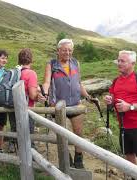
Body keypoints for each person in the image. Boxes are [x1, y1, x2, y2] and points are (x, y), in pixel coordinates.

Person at [40, 39, 94, 169]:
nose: (67, 52)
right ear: (58, 51)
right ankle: (66, 159)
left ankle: (78, 159)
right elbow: (46, 82)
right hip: (58, 106)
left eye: (70, 50)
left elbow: (79, 83)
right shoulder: (52, 64)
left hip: (75, 103)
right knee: (62, 134)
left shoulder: (76, 63)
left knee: (78, 132)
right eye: (64, 50)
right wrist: (45, 94)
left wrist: (87, 96)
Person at [104, 50, 137, 173]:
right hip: (123, 126)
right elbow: (112, 102)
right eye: (118, 60)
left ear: (133, 63)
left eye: (123, 61)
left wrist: (130, 107)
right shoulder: (116, 81)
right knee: (129, 155)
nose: (119, 63)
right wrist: (108, 100)